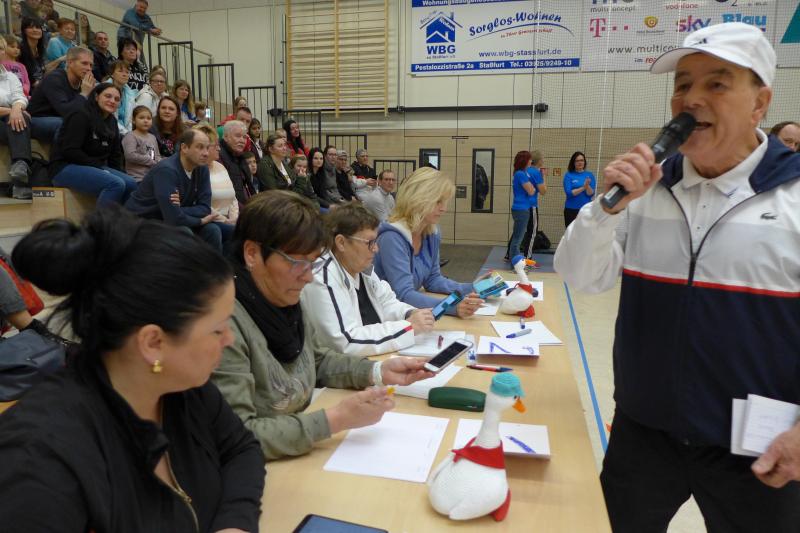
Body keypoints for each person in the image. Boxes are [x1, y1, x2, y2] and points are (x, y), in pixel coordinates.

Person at [554, 22, 800, 532]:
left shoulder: (793, 198)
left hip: (758, 448)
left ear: (760, 103)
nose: (691, 99)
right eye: (682, 84)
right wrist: (606, 210)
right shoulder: (645, 192)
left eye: (717, 83)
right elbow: (580, 277)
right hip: (644, 432)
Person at [0, 207, 265, 531]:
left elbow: (241, 449)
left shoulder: (181, 386)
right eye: (218, 329)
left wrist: (235, 523)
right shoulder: (40, 459)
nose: (230, 339)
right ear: (153, 342)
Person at [210, 191, 434, 459]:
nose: (308, 278)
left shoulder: (284, 298)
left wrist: (378, 371)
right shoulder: (223, 325)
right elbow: (238, 434)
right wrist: (335, 419)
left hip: (299, 446)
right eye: (297, 263)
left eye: (312, 263)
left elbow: (317, 360)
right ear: (252, 254)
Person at [302, 202, 434, 357]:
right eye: (369, 243)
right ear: (341, 243)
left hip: (371, 359)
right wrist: (408, 327)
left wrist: (409, 313)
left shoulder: (362, 268)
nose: (376, 249)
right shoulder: (322, 277)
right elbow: (347, 342)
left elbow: (386, 303)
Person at [373, 167, 484, 318]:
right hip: (384, 317)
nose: (444, 209)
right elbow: (403, 294)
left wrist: (473, 288)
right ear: (417, 199)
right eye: (438, 202)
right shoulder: (392, 238)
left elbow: (433, 279)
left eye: (444, 202)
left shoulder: (432, 232)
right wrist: (451, 306)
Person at [126, 129, 232, 253]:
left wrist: (176, 209)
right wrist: (200, 221)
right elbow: (173, 219)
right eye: (200, 147)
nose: (206, 153)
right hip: (143, 222)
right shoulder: (167, 170)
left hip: (170, 218)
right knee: (184, 232)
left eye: (207, 148)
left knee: (215, 230)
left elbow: (204, 208)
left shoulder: (202, 168)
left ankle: (213, 266)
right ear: (184, 148)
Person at [49, 83, 136, 206]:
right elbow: (70, 150)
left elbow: (115, 155)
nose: (112, 101)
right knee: (115, 184)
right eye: (108, 96)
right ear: (96, 97)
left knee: (131, 183)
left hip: (95, 167)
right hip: (65, 167)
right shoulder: (80, 114)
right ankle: (101, 219)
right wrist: (99, 168)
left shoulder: (112, 121)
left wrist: (118, 173)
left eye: (117, 99)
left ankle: (122, 217)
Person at [28, 46, 95, 143]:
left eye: (91, 65)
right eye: (84, 63)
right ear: (70, 62)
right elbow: (66, 112)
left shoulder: (84, 84)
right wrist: (84, 94)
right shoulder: (54, 78)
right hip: (36, 120)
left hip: (60, 119)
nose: (89, 68)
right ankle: (63, 153)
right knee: (67, 124)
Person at [0, 36, 34, 199]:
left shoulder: (10, 76)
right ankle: (20, 185)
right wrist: (12, 110)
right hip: (4, 117)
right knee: (20, 116)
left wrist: (17, 108)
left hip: (6, 122)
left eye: (0, 48)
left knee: (22, 117)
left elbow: (20, 97)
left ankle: (20, 166)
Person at [195, 123, 238, 226]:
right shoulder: (196, 170)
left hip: (230, 220)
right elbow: (200, 203)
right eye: (216, 145)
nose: (219, 149)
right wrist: (225, 221)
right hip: (212, 221)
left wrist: (234, 218)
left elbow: (233, 198)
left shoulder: (220, 166)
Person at [506, 150, 538, 261]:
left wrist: (531, 188)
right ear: (524, 161)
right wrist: (532, 188)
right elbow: (531, 191)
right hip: (521, 210)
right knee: (517, 240)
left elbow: (530, 189)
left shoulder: (520, 173)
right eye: (529, 159)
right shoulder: (521, 174)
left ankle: (514, 262)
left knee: (517, 237)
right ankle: (515, 263)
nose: (531, 161)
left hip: (520, 209)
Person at [218, 119, 257, 209]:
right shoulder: (219, 156)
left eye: (244, 137)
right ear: (226, 137)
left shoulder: (240, 156)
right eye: (238, 136)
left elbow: (248, 187)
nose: (242, 140)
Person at [518, 150, 547, 258]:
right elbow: (543, 191)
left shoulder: (523, 170)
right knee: (532, 232)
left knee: (518, 230)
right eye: (542, 158)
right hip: (531, 206)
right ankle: (528, 258)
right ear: (538, 160)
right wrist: (544, 176)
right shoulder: (536, 173)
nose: (543, 160)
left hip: (520, 206)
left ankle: (508, 255)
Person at [122, 105, 160, 180]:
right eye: (141, 118)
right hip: (137, 177)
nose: (146, 121)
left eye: (149, 118)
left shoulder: (152, 137)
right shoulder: (130, 136)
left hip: (152, 176)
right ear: (133, 120)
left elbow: (156, 156)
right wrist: (150, 160)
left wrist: (162, 161)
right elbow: (130, 155)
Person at [562, 150, 595, 228]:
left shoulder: (590, 175)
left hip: (585, 210)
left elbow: (590, 194)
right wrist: (584, 187)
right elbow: (569, 193)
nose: (580, 162)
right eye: (577, 161)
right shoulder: (568, 175)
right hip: (571, 209)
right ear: (573, 163)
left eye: (582, 160)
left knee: (585, 232)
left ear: (584, 162)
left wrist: (587, 186)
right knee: (571, 232)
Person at [105, 60, 135, 134]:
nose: (124, 74)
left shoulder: (131, 93)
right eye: (120, 71)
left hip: (126, 133)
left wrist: (129, 134)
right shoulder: (104, 90)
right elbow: (108, 119)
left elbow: (130, 120)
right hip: (109, 132)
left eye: (127, 72)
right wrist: (127, 134)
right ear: (112, 74)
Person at [18, 17, 49, 90]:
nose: (35, 30)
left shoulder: (41, 49)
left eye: (38, 27)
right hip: (28, 88)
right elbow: (25, 75)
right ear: (24, 31)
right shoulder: (21, 49)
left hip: (40, 85)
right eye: (30, 27)